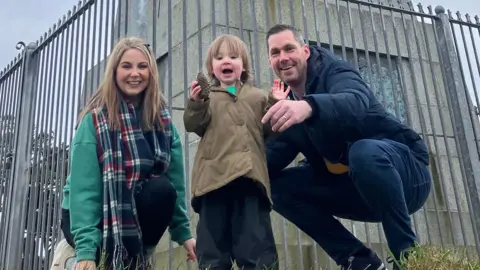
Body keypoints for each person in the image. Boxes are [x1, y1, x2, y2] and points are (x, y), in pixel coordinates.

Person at [261, 24, 432, 270]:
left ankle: (408, 258)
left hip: (406, 176)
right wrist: (231, 179)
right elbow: (271, 158)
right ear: (270, 61)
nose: (283, 58)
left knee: (363, 153)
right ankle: (359, 261)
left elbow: (356, 101)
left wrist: (309, 106)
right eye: (275, 52)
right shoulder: (289, 109)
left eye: (289, 48)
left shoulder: (335, 70)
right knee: (276, 187)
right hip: (354, 190)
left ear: (306, 51)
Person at [52, 37, 196, 270]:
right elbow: (84, 190)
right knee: (94, 259)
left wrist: (183, 232)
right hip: (89, 213)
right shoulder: (94, 121)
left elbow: (175, 184)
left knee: (162, 189)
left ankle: (138, 258)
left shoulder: (163, 124)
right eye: (126, 66)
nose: (135, 73)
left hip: (132, 210)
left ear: (151, 72)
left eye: (142, 66)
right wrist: (86, 250)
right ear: (114, 71)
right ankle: (69, 258)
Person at [183, 34, 289, 270]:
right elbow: (192, 125)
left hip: (250, 180)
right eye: (219, 58)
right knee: (212, 251)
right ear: (211, 67)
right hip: (213, 182)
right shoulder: (207, 98)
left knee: (256, 247)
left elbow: (270, 129)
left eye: (233, 56)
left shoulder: (257, 96)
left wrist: (275, 103)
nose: (225, 61)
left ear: (244, 65)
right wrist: (196, 103)